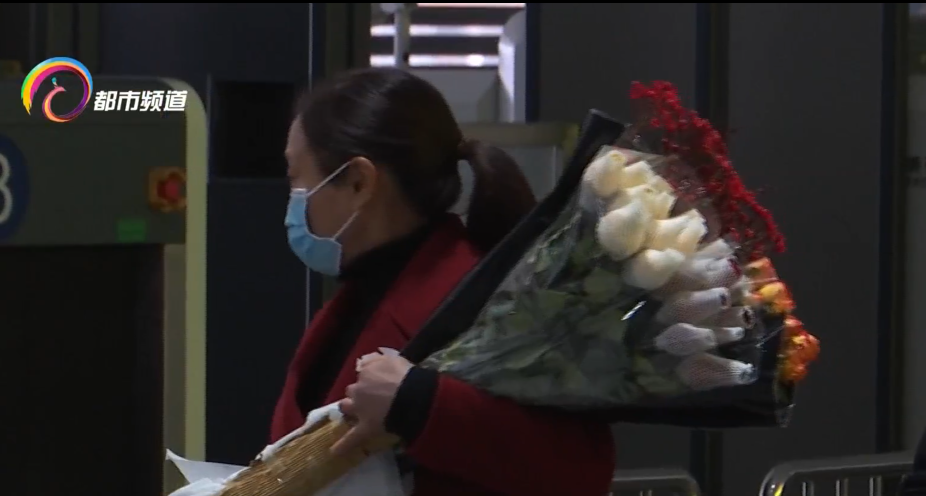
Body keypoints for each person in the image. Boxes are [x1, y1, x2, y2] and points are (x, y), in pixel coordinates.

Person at [271, 67, 615, 496]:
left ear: (359, 182)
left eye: (295, 177)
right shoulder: (358, 298)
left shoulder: (487, 302)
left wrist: (420, 403)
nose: (293, 198)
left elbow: (580, 470)